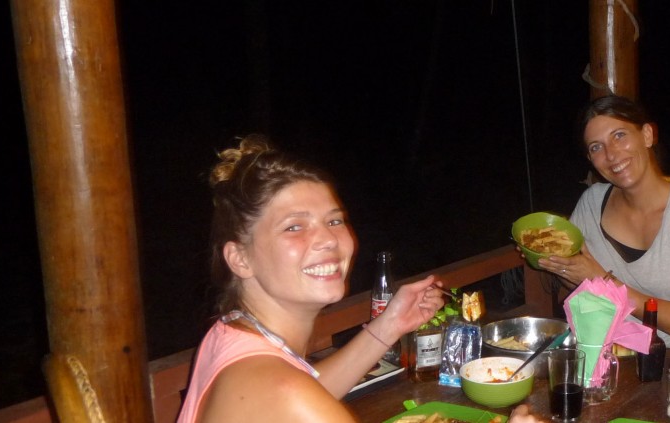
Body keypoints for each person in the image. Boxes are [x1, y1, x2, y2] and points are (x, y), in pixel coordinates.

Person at [178, 135, 543, 422]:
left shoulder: (231, 334)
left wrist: (390, 325)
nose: (327, 239)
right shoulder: (284, 392)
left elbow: (309, 388)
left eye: (334, 220)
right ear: (240, 259)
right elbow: (296, 396)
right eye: (294, 227)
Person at [539, 95, 670, 351]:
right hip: (599, 351)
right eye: (596, 147)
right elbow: (580, 282)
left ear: (647, 135)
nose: (611, 154)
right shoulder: (591, 202)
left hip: (668, 357)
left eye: (619, 135)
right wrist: (557, 265)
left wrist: (604, 281)